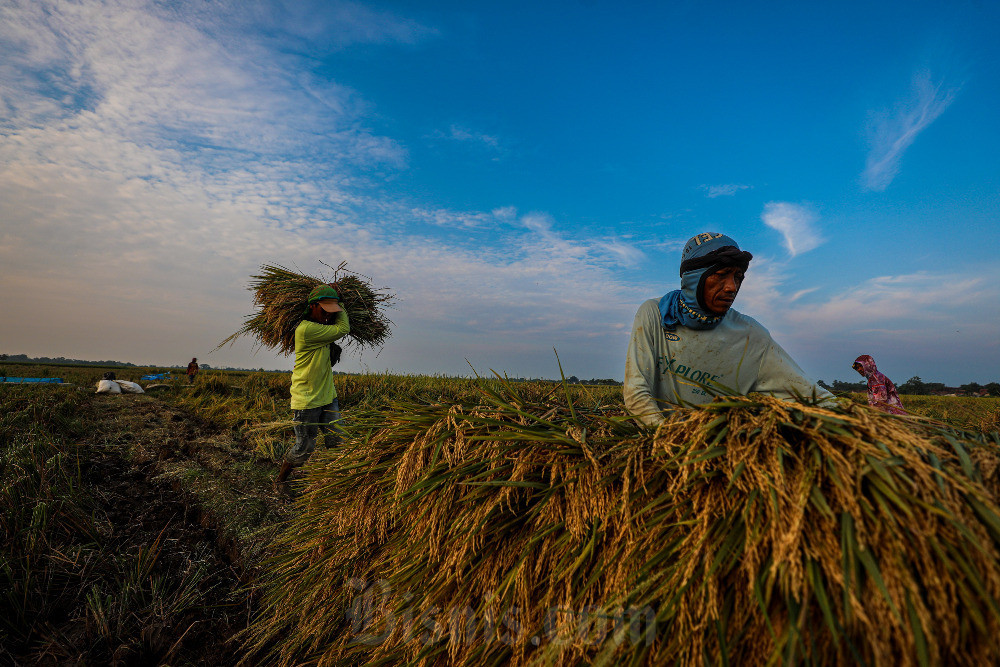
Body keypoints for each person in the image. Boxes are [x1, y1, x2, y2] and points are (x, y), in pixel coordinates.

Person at [624, 232, 833, 426]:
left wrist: (850, 415)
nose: (732, 287)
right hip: (664, 442)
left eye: (738, 277)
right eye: (722, 274)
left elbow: (810, 396)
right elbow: (636, 392)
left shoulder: (750, 336)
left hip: (717, 446)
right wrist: (669, 439)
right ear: (694, 278)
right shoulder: (656, 314)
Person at [275, 284, 350, 488]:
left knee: (338, 441)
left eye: (332, 311)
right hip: (307, 400)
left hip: (328, 396)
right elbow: (343, 328)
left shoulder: (321, 328)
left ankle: (336, 483)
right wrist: (342, 303)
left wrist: (336, 303)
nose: (328, 315)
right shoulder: (307, 329)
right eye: (325, 310)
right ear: (313, 306)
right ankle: (279, 481)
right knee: (305, 448)